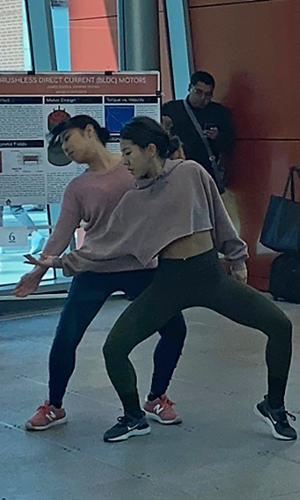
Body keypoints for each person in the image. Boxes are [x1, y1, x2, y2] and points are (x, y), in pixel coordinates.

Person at [34, 117, 296, 443]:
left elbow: (220, 217)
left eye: (129, 153)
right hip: (168, 283)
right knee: (114, 348)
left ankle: (274, 406)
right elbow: (103, 244)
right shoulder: (133, 198)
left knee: (280, 326)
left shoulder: (190, 172)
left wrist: (237, 258)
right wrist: (58, 261)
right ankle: (134, 417)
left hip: (209, 276)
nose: (124, 161)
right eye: (122, 153)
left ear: (151, 149)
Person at [15, 115, 187, 431]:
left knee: (175, 330)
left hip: (141, 266)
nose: (64, 148)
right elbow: (61, 234)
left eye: (67, 138)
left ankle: (156, 397)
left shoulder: (133, 166)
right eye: (60, 144)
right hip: (95, 269)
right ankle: (54, 406)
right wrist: (38, 273)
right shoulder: (78, 187)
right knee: (66, 337)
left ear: (89, 131)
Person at [162, 71, 235, 192]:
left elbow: (229, 145)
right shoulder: (171, 109)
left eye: (207, 95)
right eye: (198, 92)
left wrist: (218, 136)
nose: (202, 99)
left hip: (205, 172)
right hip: (176, 171)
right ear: (189, 88)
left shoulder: (218, 112)